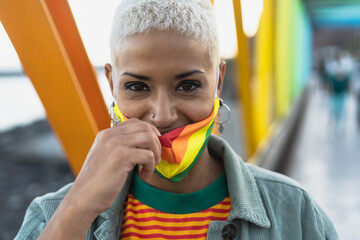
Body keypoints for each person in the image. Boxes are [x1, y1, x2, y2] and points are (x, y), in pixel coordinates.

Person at [15, 0, 338, 239]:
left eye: (188, 86)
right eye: (137, 87)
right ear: (111, 83)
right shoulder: (51, 215)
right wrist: (76, 209)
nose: (163, 115)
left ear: (218, 81)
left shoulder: (294, 212)